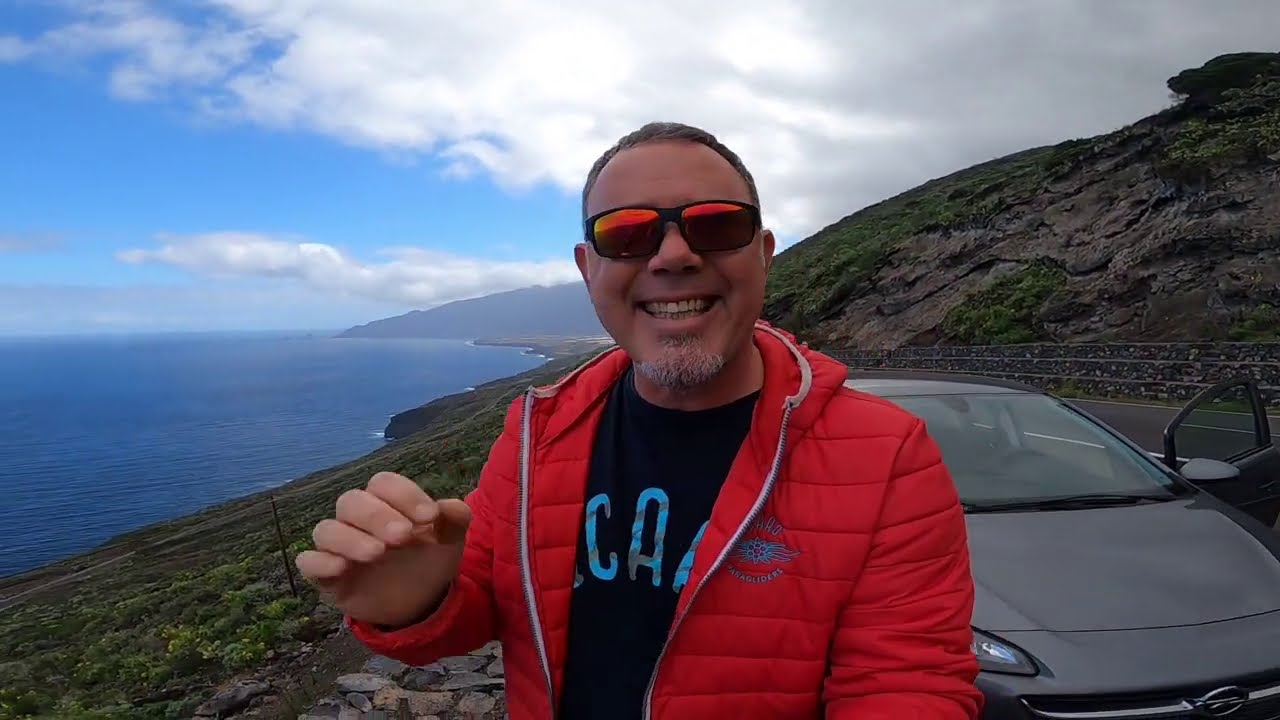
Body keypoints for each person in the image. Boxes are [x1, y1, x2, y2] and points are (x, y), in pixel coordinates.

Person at [297, 121, 984, 719]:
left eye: (717, 225)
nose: (674, 255)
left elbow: (907, 685)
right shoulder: (538, 432)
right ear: (587, 268)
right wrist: (412, 605)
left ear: (764, 253)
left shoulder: (886, 455)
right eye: (626, 234)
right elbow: (484, 603)